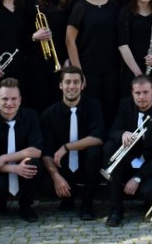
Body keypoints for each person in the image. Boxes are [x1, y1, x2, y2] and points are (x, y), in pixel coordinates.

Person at [104, 75, 152, 227]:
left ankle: (149, 200)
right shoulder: (125, 105)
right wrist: (123, 133)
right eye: (137, 93)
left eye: (145, 92)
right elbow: (113, 131)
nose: (141, 97)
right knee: (110, 147)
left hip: (151, 166)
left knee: (150, 191)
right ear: (132, 93)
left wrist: (138, 178)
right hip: (129, 162)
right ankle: (116, 210)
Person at [41, 66, 105, 221]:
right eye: (68, 82)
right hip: (62, 168)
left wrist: (66, 147)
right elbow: (46, 150)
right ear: (60, 85)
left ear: (82, 85)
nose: (72, 86)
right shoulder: (49, 114)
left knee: (95, 151)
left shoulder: (93, 105)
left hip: (86, 166)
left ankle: (87, 205)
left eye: (76, 82)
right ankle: (66, 199)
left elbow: (98, 137)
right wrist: (55, 176)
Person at [0, 78, 44, 222]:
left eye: (14, 98)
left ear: (20, 100)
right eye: (5, 99)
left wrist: (4, 158)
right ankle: (0, 202)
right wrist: (14, 169)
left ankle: (26, 205)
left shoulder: (31, 116)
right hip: (0, 171)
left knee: (34, 164)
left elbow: (37, 151)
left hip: (19, 166)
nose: (9, 103)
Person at [66, 0, 121, 123]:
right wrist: (79, 73)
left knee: (109, 110)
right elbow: (70, 40)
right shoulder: (80, 6)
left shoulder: (113, 6)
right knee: (90, 113)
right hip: (88, 70)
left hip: (111, 71)